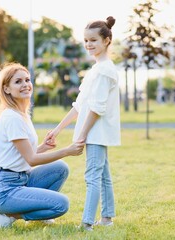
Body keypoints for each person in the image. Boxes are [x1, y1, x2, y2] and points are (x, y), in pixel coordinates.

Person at [0, 62, 85, 228]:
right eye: (18, 82)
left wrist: (43, 147)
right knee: (61, 205)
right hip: (3, 190)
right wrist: (67, 151)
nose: (25, 84)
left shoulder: (21, 114)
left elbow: (22, 155)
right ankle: (7, 217)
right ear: (6, 89)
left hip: (21, 180)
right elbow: (31, 159)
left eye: (27, 80)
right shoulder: (11, 117)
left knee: (60, 168)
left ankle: (32, 211)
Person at [46, 16, 121, 231]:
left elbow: (97, 108)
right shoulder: (96, 69)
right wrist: (58, 130)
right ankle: (106, 219)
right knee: (103, 175)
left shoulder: (105, 70)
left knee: (93, 177)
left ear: (106, 40)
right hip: (94, 133)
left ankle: (87, 223)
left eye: (93, 40)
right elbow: (80, 105)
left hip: (96, 134)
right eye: (86, 40)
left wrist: (82, 135)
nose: (88, 44)